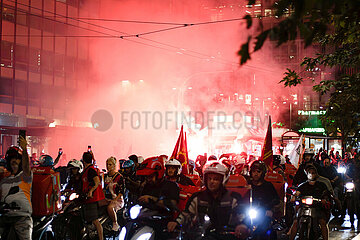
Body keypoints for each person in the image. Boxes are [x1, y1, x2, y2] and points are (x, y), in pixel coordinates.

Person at [167, 161, 249, 239]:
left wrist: (243, 226)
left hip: (227, 237)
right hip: (202, 236)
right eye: (209, 179)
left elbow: (242, 216)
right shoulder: (197, 197)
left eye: (216, 179)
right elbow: (186, 214)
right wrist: (176, 222)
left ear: (223, 180)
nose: (211, 182)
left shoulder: (233, 198)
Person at [0, 137, 32, 240]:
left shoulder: (25, 176)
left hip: (22, 217)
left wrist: (25, 148)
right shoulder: (4, 181)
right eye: (11, 160)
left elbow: (27, 167)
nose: (13, 162)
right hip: (5, 217)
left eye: (17, 159)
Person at [289, 164, 330, 240]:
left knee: (323, 223)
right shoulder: (302, 185)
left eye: (313, 172)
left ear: (316, 174)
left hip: (317, 208)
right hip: (304, 208)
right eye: (309, 173)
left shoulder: (321, 185)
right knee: (295, 222)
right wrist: (294, 197)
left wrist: (324, 200)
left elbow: (326, 194)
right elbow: (297, 193)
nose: (311, 174)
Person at [81, 151, 105, 240]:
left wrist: (91, 191)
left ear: (83, 160)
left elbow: (97, 181)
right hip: (87, 199)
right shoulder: (87, 170)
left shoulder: (90, 170)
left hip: (92, 199)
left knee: (95, 220)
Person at [103, 156, 124, 231]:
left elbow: (122, 192)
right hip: (107, 198)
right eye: (107, 164)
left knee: (110, 207)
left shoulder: (119, 177)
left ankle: (115, 223)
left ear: (114, 165)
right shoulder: (104, 176)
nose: (108, 166)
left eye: (110, 164)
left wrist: (115, 199)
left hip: (117, 199)